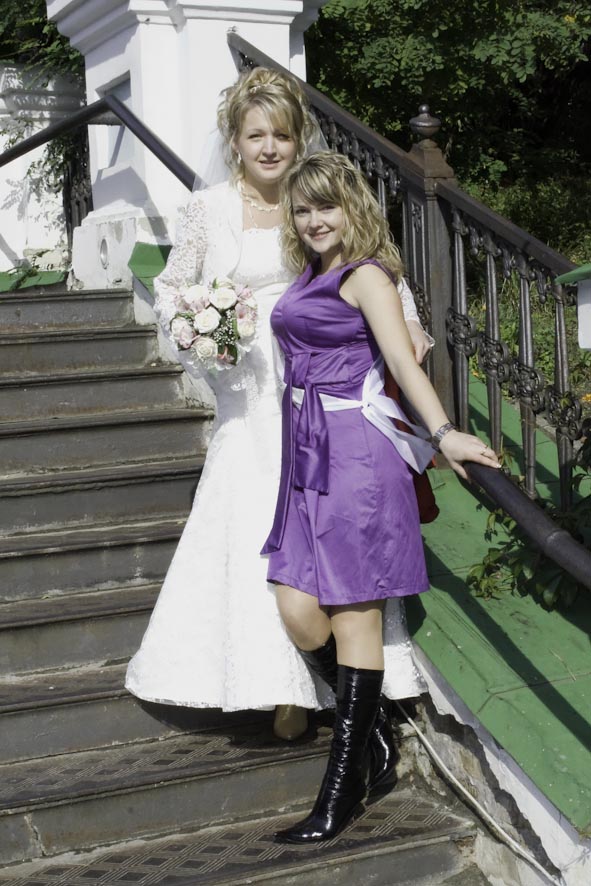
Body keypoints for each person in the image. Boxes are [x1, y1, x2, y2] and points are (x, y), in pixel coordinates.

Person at [125, 68, 433, 740]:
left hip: (325, 400)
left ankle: (321, 692)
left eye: (282, 135)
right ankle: (276, 685)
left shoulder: (314, 201)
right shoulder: (206, 209)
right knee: (253, 539)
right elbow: (172, 289)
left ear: (299, 139)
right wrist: (201, 331)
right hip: (250, 396)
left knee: (329, 543)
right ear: (234, 142)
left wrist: (407, 321)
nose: (269, 148)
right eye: (255, 135)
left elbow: (371, 262)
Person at [262, 152, 500, 843]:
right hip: (308, 454)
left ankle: (340, 794)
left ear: (353, 208)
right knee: (298, 610)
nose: (314, 220)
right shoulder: (311, 272)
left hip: (357, 457)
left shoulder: (366, 274)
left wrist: (445, 434)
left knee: (354, 617)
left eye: (326, 206)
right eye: (302, 209)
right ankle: (372, 741)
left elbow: (399, 359)